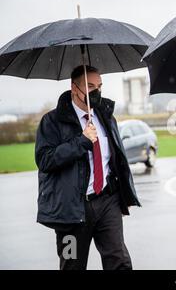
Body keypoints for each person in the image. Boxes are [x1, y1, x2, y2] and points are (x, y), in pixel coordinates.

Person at [35, 65, 141, 270]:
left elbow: (117, 160)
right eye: (90, 86)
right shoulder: (51, 121)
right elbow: (45, 160)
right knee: (71, 264)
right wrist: (81, 141)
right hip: (70, 211)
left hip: (107, 201)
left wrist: (123, 195)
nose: (97, 92)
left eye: (99, 86)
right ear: (74, 88)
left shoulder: (106, 116)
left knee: (119, 261)